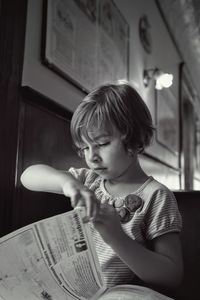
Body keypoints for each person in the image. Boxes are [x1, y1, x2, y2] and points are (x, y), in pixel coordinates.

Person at [20, 83, 183, 292]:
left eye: (103, 143)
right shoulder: (88, 181)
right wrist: (68, 184)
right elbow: (28, 176)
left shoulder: (156, 196)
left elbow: (172, 276)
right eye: (84, 148)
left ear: (135, 139)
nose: (91, 157)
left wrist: (116, 237)